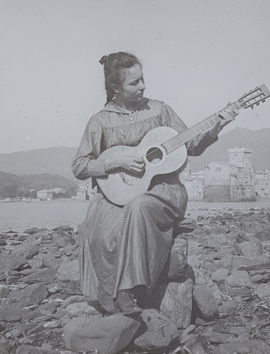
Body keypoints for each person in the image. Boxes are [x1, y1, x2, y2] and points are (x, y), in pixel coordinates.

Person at [72, 52, 237, 315]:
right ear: (115, 88)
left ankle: (128, 290)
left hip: (164, 190)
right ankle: (112, 295)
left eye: (142, 79)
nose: (143, 86)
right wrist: (117, 163)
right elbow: (80, 166)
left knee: (138, 208)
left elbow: (192, 146)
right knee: (100, 225)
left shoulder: (160, 110)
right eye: (134, 83)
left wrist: (218, 126)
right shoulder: (100, 121)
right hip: (119, 192)